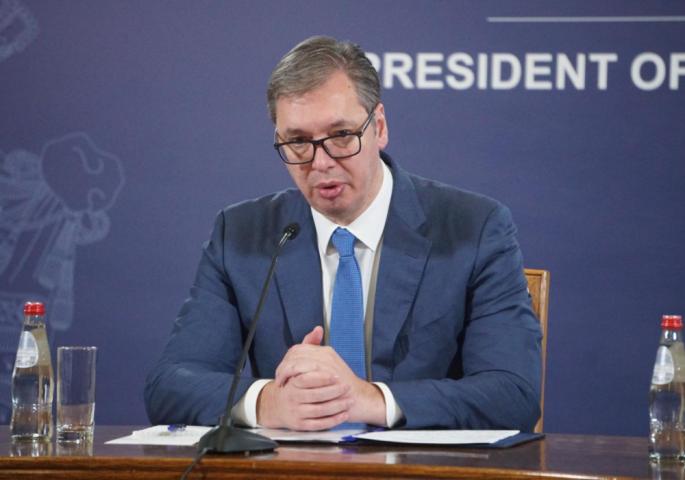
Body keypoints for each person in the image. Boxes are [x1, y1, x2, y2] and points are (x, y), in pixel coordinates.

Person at [144, 36, 542, 431]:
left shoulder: (473, 229)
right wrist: (269, 402)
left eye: (340, 136)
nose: (320, 162)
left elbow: (512, 394)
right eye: (298, 142)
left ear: (379, 127)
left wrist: (366, 400)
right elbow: (171, 386)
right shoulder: (242, 236)